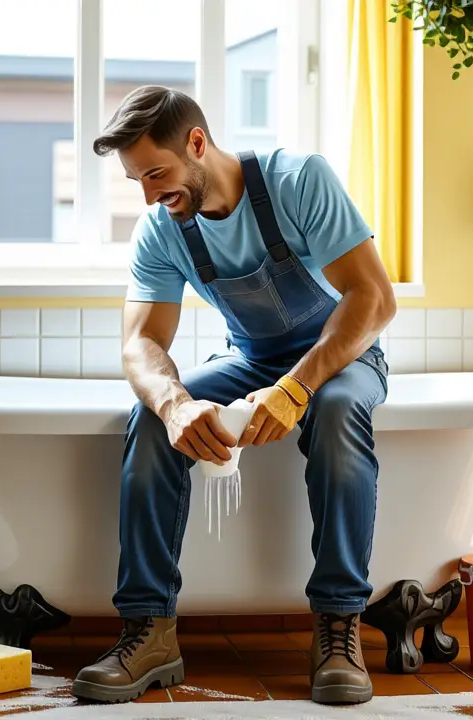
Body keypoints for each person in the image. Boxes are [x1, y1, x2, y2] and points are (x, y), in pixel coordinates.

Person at [71, 85, 396, 706]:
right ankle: (150, 632)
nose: (149, 196)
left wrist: (298, 387)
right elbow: (141, 344)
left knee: (335, 411)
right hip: (249, 360)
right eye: (137, 180)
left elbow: (373, 298)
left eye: (156, 173)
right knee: (153, 417)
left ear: (197, 143)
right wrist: (176, 405)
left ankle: (337, 626)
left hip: (340, 357)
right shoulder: (163, 228)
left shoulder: (299, 182)